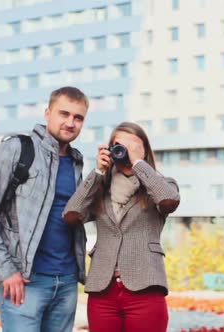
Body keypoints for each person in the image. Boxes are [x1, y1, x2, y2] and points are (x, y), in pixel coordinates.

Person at [0, 86, 89, 332]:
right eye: (63, 114)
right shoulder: (17, 148)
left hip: (65, 283)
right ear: (47, 113)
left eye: (78, 117)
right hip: (24, 281)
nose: (70, 122)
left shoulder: (77, 161)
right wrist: (6, 270)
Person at [63, 122, 180, 332]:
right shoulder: (100, 189)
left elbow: (169, 201)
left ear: (144, 149)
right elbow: (71, 215)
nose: (125, 150)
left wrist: (138, 163)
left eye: (133, 145)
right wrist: (98, 171)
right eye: (119, 145)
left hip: (145, 288)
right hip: (102, 291)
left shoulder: (160, 185)